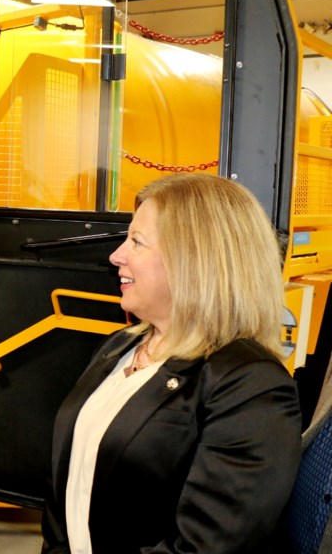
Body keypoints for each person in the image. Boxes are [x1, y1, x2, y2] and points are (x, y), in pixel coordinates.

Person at [41, 173, 302, 553]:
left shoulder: (250, 384)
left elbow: (208, 545)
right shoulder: (120, 346)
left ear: (194, 261)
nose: (116, 255)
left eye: (136, 242)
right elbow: (64, 494)